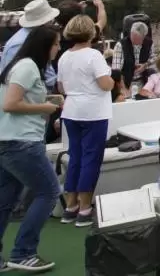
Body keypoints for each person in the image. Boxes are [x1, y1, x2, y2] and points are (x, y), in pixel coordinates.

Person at [0, 25, 63, 272]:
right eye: (57, 44)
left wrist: (45, 101)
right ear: (46, 46)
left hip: (7, 141)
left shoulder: (17, 66)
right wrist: (45, 108)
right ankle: (24, 251)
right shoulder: (27, 67)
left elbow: (14, 101)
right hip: (23, 142)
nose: (58, 48)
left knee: (5, 200)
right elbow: (11, 104)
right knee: (48, 192)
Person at [56, 15, 115, 227]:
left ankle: (70, 206)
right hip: (94, 113)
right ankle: (84, 208)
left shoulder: (64, 57)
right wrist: (112, 78)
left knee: (76, 157)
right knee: (91, 159)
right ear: (91, 33)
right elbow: (106, 84)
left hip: (71, 111)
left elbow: (61, 88)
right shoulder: (94, 56)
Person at [112, 20, 154, 95]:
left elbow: (154, 59)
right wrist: (123, 89)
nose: (133, 40)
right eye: (132, 36)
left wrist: (145, 65)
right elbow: (116, 70)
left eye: (137, 38)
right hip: (126, 84)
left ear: (144, 37)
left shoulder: (149, 43)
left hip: (144, 83)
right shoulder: (120, 45)